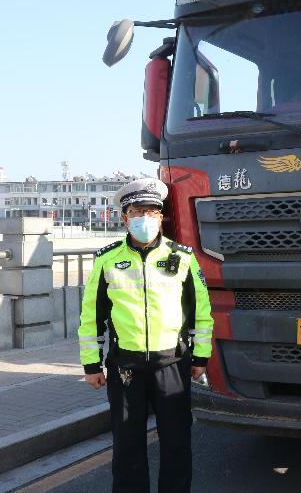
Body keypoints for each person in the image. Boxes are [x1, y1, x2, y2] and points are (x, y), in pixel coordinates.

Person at [78, 178, 213, 493]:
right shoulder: (107, 259)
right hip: (126, 367)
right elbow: (91, 316)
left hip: (173, 364)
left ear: (161, 217)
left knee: (177, 444)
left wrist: (200, 357)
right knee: (127, 447)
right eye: (138, 212)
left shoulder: (182, 257)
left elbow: (201, 312)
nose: (146, 218)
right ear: (125, 218)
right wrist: (91, 365)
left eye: (152, 212)